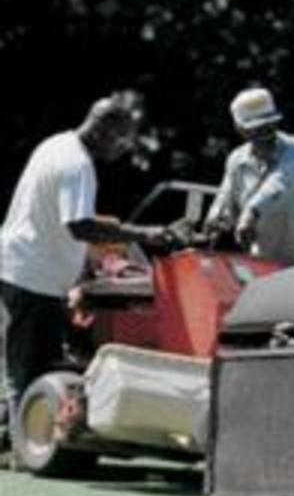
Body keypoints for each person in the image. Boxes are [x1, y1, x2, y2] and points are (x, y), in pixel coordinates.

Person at [0, 92, 176, 442]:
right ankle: (28, 447)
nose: (124, 147)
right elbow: (78, 226)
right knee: (32, 373)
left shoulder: (55, 145)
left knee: (20, 363)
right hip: (34, 277)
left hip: (18, 267)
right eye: (123, 138)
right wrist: (145, 233)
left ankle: (12, 437)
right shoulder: (77, 164)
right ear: (105, 130)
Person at [204, 87, 294, 266]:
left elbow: (279, 184)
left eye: (270, 123)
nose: (266, 132)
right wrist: (215, 222)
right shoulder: (236, 160)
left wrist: (250, 213)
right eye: (256, 128)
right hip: (266, 267)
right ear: (240, 129)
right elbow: (225, 199)